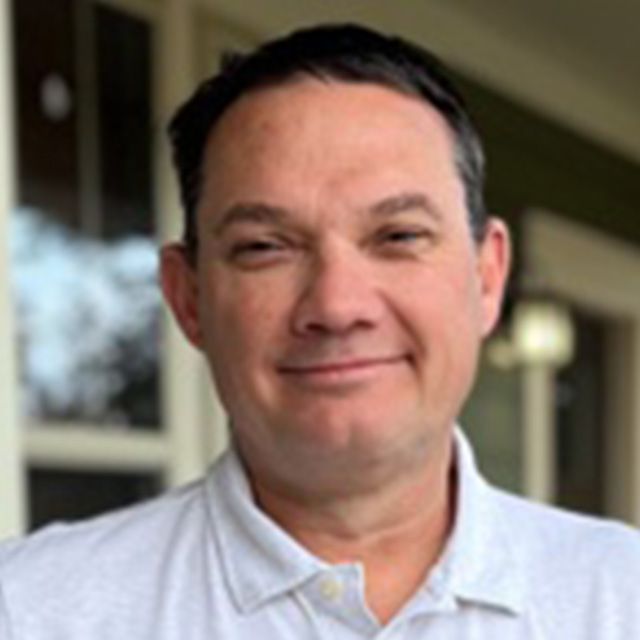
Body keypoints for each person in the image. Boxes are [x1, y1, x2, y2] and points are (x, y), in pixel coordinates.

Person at [1, 23, 639, 639]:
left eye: (398, 236)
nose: (337, 305)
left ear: (488, 277)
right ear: (188, 298)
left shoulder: (621, 597)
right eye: (265, 246)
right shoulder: (29, 611)